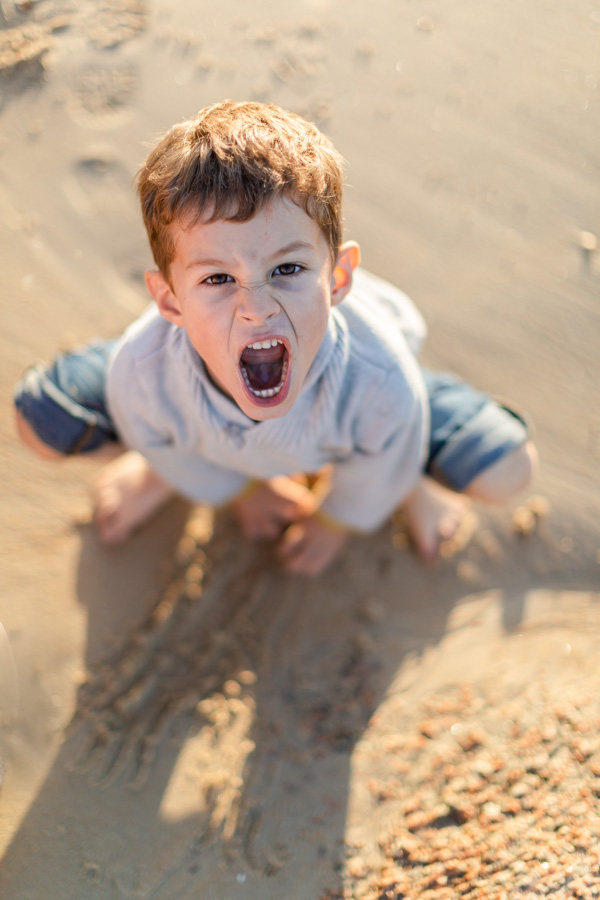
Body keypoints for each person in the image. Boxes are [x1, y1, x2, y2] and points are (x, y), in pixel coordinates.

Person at [13, 100, 536, 576]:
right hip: (175, 377)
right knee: (43, 418)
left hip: (373, 401)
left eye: (287, 268)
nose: (256, 309)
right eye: (217, 278)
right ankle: (159, 475)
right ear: (169, 300)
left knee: (506, 469)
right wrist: (235, 489)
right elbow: (147, 425)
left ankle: (415, 476)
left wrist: (338, 519)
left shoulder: (380, 379)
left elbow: (380, 458)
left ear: (337, 278)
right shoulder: (143, 371)